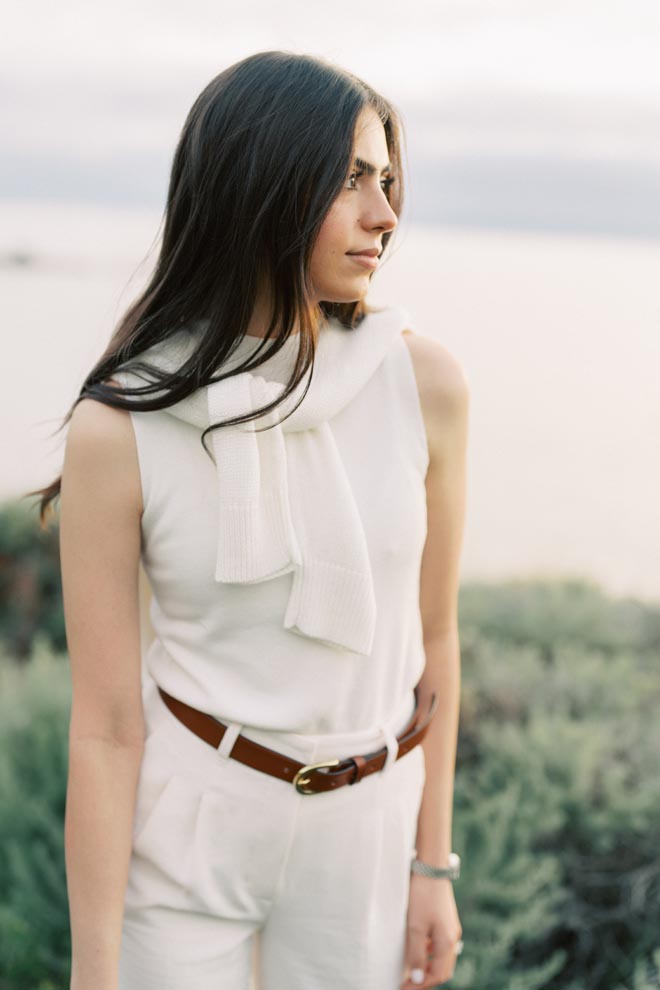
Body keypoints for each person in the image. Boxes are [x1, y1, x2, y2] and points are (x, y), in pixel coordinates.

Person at [33, 49, 468, 990]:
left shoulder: (422, 381)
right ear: (260, 185)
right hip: (189, 827)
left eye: (387, 180)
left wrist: (432, 866)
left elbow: (436, 641)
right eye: (351, 178)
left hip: (368, 825)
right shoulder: (121, 425)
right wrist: (93, 969)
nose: (385, 214)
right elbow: (106, 725)